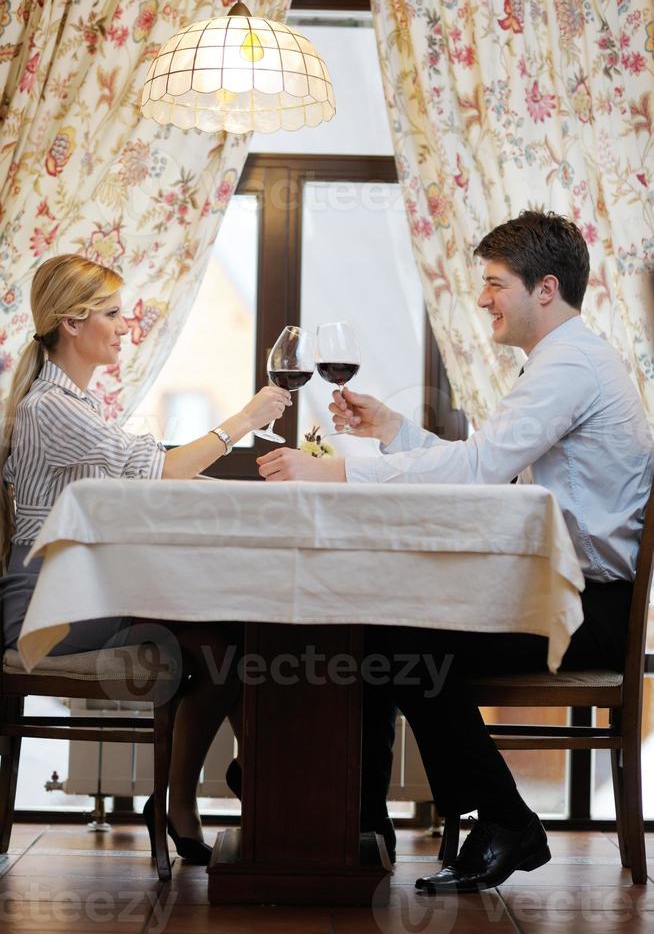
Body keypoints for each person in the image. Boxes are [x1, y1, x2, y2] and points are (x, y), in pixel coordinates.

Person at [256, 211, 654, 892]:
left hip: (590, 614)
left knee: (397, 644)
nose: (481, 298)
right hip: (569, 597)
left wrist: (338, 471)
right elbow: (486, 464)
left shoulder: (571, 368)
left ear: (546, 289)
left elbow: (478, 472)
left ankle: (494, 820)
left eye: (495, 283)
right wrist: (394, 429)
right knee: (379, 626)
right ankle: (364, 820)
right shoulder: (567, 361)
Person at [0, 254, 292, 865]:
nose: (125, 324)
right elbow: (157, 469)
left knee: (226, 639)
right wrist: (246, 418)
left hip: (75, 590)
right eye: (111, 313)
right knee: (224, 643)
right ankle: (252, 781)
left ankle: (235, 784)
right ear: (72, 323)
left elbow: (143, 474)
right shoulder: (51, 408)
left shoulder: (73, 403)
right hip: (45, 605)